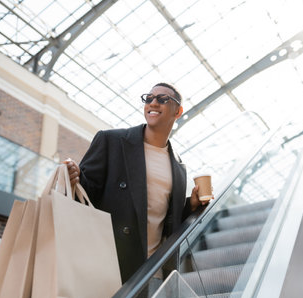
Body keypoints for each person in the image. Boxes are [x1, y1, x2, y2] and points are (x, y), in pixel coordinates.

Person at [64, 83, 209, 286]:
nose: (153, 103)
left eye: (163, 99)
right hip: (110, 263)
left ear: (178, 111)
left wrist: (190, 206)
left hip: (153, 270)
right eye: (148, 98)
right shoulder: (111, 141)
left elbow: (165, 220)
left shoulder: (178, 166)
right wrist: (75, 178)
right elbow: (87, 194)